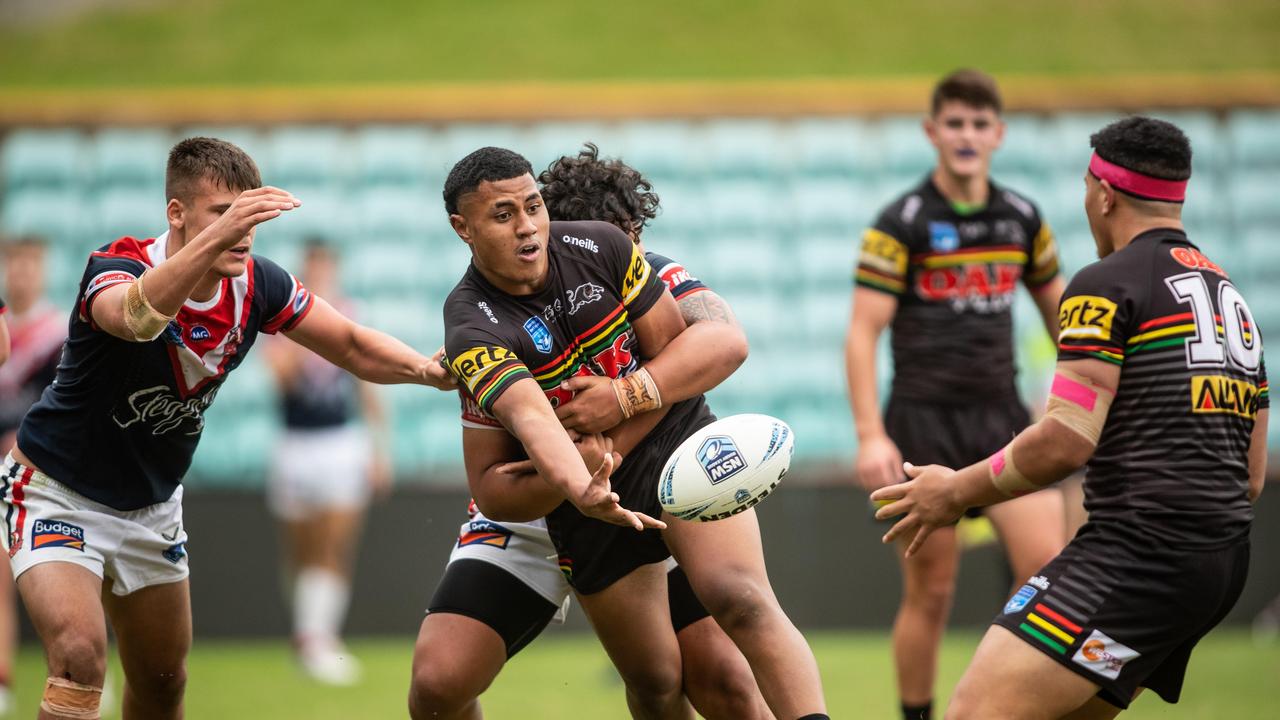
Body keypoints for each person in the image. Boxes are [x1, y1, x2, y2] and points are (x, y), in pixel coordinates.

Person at [0, 137, 453, 720]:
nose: (241, 233)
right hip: (56, 493)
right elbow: (137, 319)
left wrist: (425, 369)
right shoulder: (114, 267)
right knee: (80, 656)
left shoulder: (258, 286)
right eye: (223, 214)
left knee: (164, 683)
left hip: (151, 508)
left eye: (249, 217)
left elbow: (351, 344)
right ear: (176, 213)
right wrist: (222, 232)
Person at [874, 116, 1267, 719]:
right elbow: (1252, 472)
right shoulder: (1230, 297)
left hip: (1134, 558)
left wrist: (954, 490)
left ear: (1104, 193)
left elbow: (1064, 441)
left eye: (1087, 188)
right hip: (1219, 563)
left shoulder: (1105, 284)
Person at [438, 146, 827, 719]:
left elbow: (715, 346)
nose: (528, 228)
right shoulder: (474, 327)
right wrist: (579, 477)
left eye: (534, 209)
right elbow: (510, 454)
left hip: (660, 452)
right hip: (568, 498)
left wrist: (620, 402)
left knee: (736, 615)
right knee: (651, 679)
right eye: (505, 215)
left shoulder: (628, 257)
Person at [844, 68, 1068, 720]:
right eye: (955, 123)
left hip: (1003, 417)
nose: (966, 135)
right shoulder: (902, 222)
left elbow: (1067, 324)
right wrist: (869, 434)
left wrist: (1085, 404)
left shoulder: (1023, 217)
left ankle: (1017, 707)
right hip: (920, 425)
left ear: (997, 134)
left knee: (1044, 575)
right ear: (931, 131)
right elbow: (862, 334)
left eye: (978, 124)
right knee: (932, 593)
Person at [262, 240, 393, 685]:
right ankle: (308, 632)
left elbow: (367, 388)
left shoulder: (351, 317)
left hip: (341, 442)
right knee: (299, 552)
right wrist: (304, 333)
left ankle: (318, 639)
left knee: (332, 545)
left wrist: (379, 449)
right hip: (294, 444)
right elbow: (283, 381)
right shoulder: (280, 323)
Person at [0, 235, 69, 714]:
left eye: (31, 263)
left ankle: (72, 672)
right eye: (15, 263)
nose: (22, 273)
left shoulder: (58, 334)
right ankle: (3, 678)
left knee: (60, 578)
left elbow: (64, 406)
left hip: (43, 472)